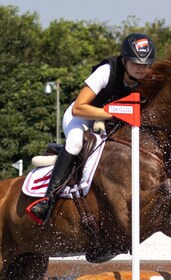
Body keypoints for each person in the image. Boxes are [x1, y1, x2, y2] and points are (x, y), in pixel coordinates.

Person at [27, 33, 156, 224]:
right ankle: (48, 200)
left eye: (145, 65)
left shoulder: (148, 80)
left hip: (110, 122)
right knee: (76, 141)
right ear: (125, 61)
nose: (141, 69)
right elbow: (80, 107)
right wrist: (112, 113)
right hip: (81, 117)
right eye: (137, 64)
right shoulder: (106, 72)